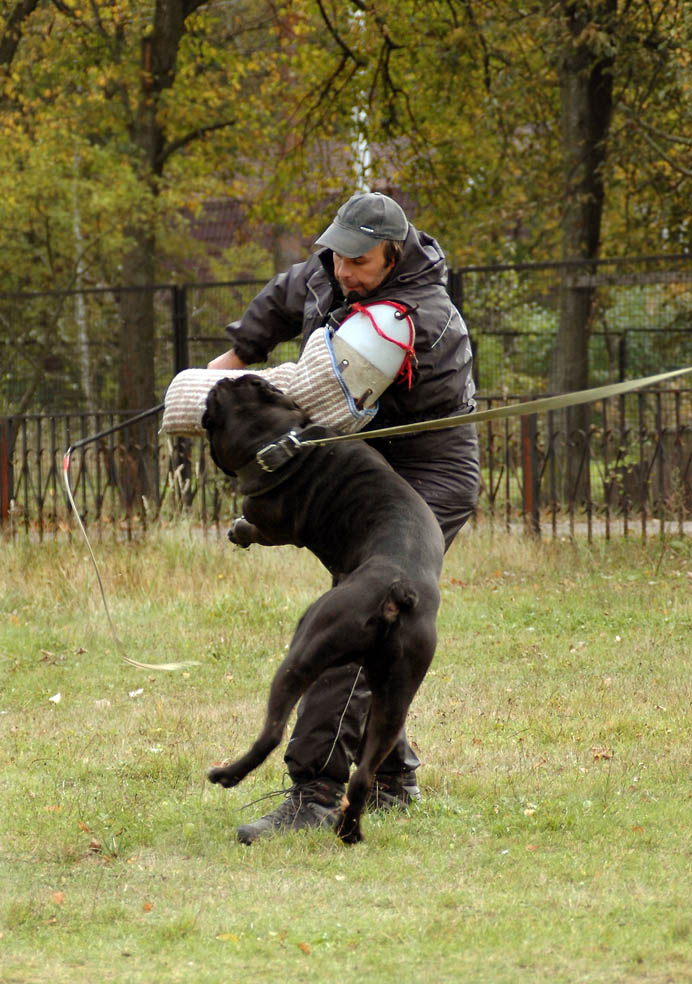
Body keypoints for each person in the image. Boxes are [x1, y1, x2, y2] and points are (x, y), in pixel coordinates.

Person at [208, 191, 480, 843]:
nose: (342, 274)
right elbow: (286, 292)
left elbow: (322, 395)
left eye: (358, 262)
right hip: (368, 473)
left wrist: (238, 407)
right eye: (335, 258)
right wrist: (235, 356)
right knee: (369, 616)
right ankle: (391, 777)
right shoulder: (333, 269)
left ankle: (317, 790)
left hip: (424, 479)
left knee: (364, 615)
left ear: (395, 252)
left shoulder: (417, 317)